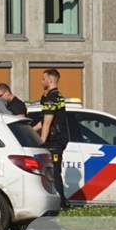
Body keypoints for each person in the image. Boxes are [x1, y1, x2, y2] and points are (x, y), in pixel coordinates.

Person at [33, 69, 70, 209]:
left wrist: (42, 141)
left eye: (43, 79)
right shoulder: (58, 96)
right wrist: (31, 130)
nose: (42, 82)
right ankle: (59, 201)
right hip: (59, 137)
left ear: (50, 80)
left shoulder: (50, 98)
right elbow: (44, 122)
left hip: (55, 140)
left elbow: (47, 123)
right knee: (53, 171)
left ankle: (60, 203)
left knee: (54, 171)